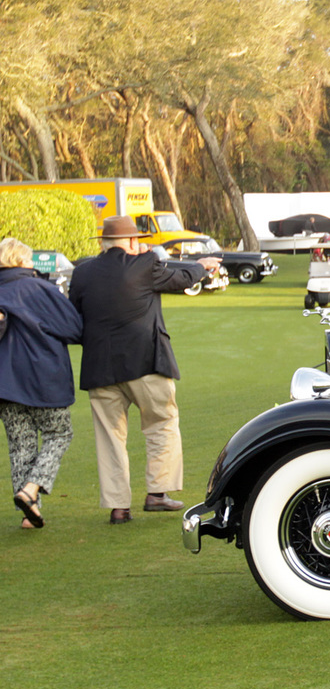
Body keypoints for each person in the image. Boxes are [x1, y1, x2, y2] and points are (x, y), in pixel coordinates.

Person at [69, 215, 219, 524]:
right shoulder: (146, 263)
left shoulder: (82, 273)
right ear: (133, 242)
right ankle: (158, 493)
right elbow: (181, 279)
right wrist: (203, 266)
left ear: (104, 243)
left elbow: (75, 317)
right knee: (161, 423)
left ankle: (118, 507)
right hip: (146, 362)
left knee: (109, 438)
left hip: (99, 367)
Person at [0, 237, 83, 529]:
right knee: (59, 434)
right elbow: (73, 328)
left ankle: (29, 512)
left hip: (5, 384)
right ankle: (31, 489)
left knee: (20, 446)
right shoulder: (39, 289)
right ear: (22, 261)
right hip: (42, 378)